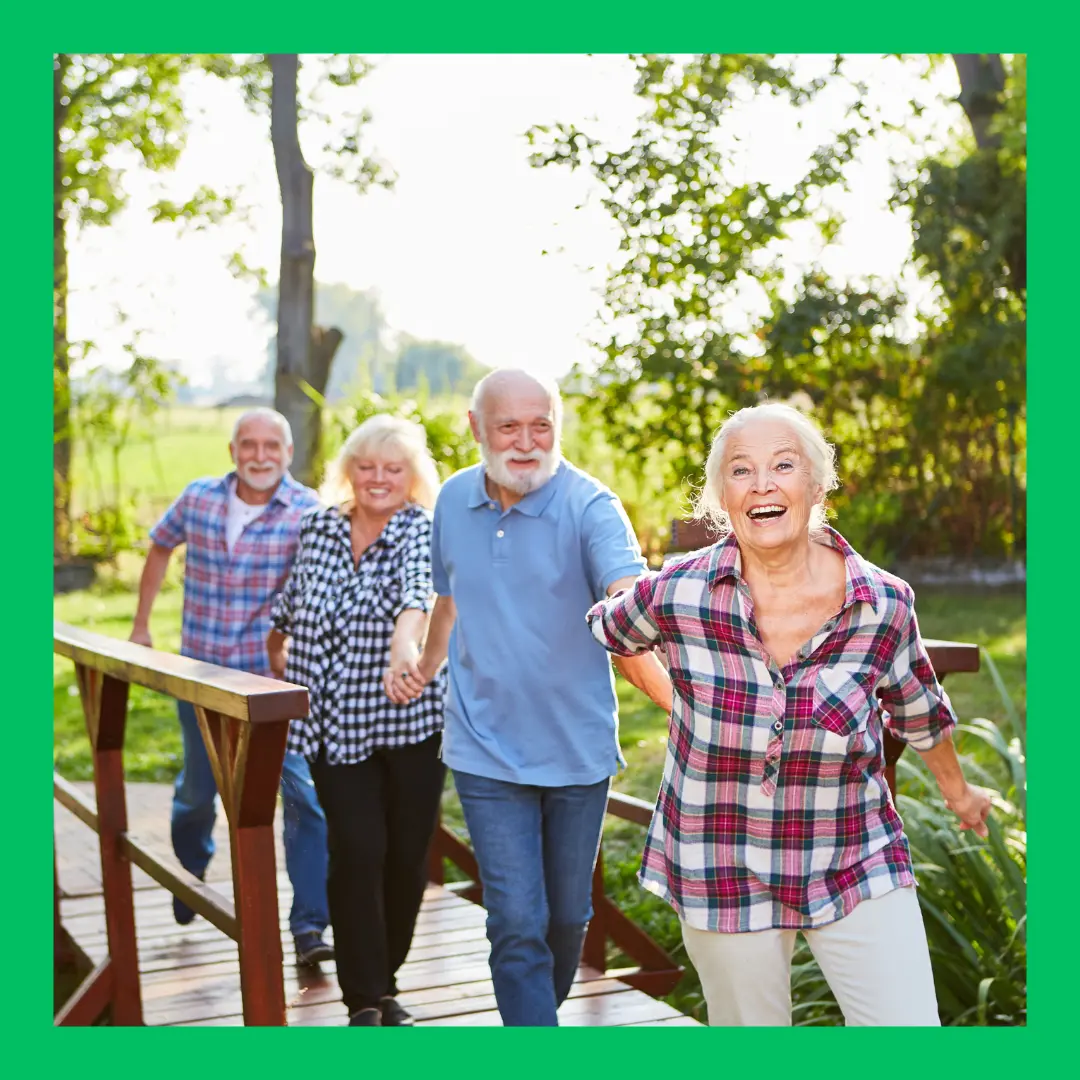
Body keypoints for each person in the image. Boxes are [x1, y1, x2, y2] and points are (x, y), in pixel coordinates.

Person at [586, 402, 993, 1027]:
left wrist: (959, 793)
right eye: (741, 471)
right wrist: (677, 702)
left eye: (783, 465)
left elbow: (919, 710)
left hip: (853, 853)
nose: (763, 484)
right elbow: (610, 628)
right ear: (723, 496)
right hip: (719, 855)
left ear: (818, 483)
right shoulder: (678, 590)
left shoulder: (881, 602)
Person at [390, 369, 672, 1027]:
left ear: (558, 423)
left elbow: (629, 605)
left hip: (575, 750)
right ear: (475, 428)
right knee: (515, 920)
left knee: (565, 919)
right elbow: (450, 597)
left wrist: (687, 707)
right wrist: (427, 664)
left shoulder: (591, 507)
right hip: (482, 746)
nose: (525, 442)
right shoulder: (454, 501)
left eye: (539, 424)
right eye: (508, 426)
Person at [130, 407, 333, 966]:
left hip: (272, 684)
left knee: (303, 799)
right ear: (233, 450)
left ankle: (310, 926)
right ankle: (191, 871)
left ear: (288, 454)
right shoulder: (198, 497)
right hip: (199, 676)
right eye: (250, 444)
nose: (261, 456)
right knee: (197, 792)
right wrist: (142, 624)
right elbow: (159, 544)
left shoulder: (309, 509)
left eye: (273, 446)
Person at [268, 415, 447, 1027]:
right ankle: (363, 996)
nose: (378, 479)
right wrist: (278, 676)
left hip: (409, 722)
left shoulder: (421, 528)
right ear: (349, 470)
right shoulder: (318, 526)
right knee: (358, 850)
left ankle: (386, 980)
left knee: (404, 856)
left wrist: (405, 648)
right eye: (366, 467)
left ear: (411, 476)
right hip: (331, 725)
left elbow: (417, 596)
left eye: (392, 469)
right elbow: (290, 610)